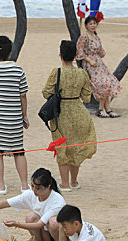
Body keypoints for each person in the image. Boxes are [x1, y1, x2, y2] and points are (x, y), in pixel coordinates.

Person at [42, 40, 97, 191]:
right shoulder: (82, 73)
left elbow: (46, 92)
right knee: (76, 147)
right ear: (74, 56)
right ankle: (74, 181)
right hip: (78, 111)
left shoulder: (57, 72)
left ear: (60, 55)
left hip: (61, 113)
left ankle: (65, 183)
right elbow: (86, 97)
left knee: (62, 147)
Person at [0, 35, 29, 194]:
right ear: (10, 53)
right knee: (18, 151)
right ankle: (24, 185)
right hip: (14, 118)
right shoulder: (18, 71)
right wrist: (24, 115)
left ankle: (1, 186)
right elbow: (23, 95)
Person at [0, 168, 65, 241]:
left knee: (53, 222)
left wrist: (16, 224)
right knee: (31, 217)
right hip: (46, 234)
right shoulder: (30, 195)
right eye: (32, 186)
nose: (34, 190)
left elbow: (39, 224)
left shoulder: (57, 201)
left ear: (48, 187)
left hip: (58, 234)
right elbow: (7, 203)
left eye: (38, 188)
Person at [76, 15, 122, 118]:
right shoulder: (84, 36)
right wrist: (89, 60)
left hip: (99, 64)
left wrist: (102, 53)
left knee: (109, 82)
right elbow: (80, 51)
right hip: (90, 64)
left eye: (94, 23)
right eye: (90, 24)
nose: (93, 25)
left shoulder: (96, 37)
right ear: (86, 25)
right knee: (102, 84)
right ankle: (101, 109)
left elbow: (101, 51)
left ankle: (108, 109)